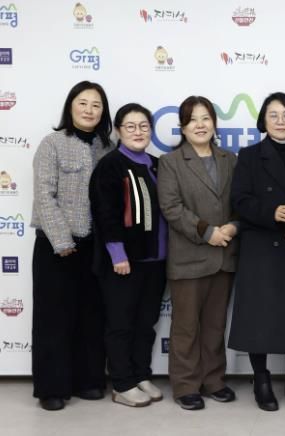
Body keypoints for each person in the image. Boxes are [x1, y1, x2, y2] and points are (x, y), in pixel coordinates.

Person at [229, 92, 285, 411]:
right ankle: (261, 379)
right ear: (263, 121)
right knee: (259, 317)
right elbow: (239, 200)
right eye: (273, 115)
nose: (281, 121)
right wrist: (271, 212)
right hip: (261, 246)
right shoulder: (249, 155)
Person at [31, 80, 112, 411]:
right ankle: (52, 388)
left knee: (91, 317)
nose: (89, 110)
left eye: (96, 105)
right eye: (83, 103)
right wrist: (62, 239)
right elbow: (44, 195)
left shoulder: (108, 148)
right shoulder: (52, 143)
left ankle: (88, 380)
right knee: (54, 319)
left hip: (96, 247)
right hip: (57, 247)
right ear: (70, 107)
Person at [157, 96, 238, 411]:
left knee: (215, 325)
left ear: (214, 124)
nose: (200, 125)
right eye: (192, 120)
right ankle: (186, 385)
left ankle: (214, 380)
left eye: (206, 118)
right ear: (183, 127)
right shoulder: (171, 162)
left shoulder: (230, 159)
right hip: (189, 257)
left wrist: (233, 226)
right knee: (186, 327)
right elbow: (171, 207)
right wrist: (207, 231)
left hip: (224, 256)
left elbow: (240, 201)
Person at [89, 103, 167, 407]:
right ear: (119, 131)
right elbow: (105, 213)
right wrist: (117, 254)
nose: (138, 132)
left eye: (144, 126)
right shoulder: (110, 165)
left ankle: (140, 374)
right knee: (121, 323)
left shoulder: (158, 164)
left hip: (156, 260)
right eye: (130, 126)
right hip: (124, 262)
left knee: (146, 323)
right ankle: (122, 383)